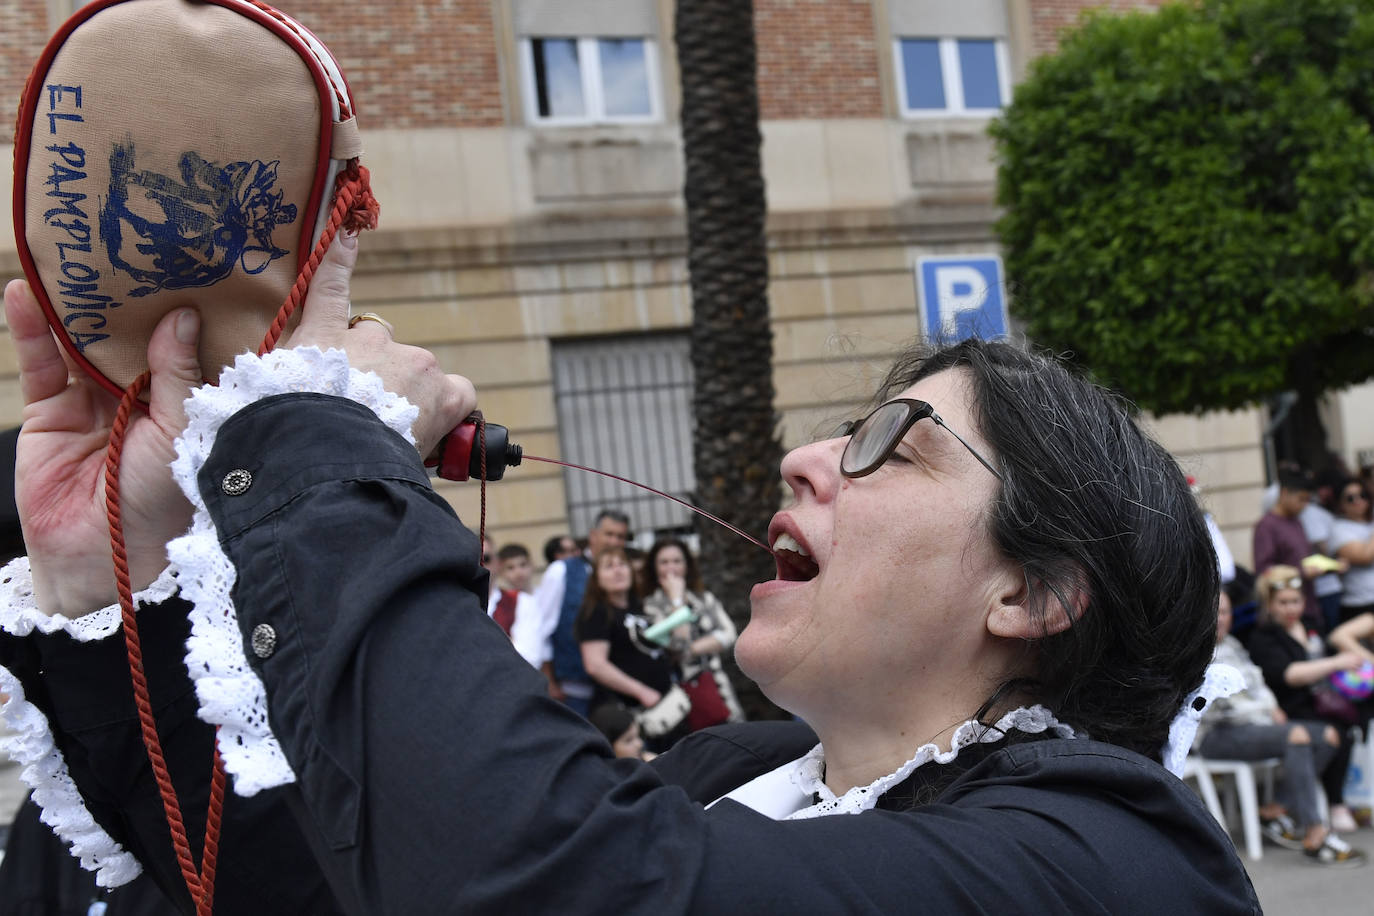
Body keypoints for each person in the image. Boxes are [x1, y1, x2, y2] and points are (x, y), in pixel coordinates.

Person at [0, 236, 1260, 912]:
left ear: (1033, 594)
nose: (807, 456)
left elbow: (548, 883)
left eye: (893, 444)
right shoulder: (731, 773)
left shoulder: (1112, 862)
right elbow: (327, 877)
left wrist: (322, 441)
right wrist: (102, 572)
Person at [1196, 592, 1359, 865]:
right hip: (1218, 735)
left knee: (1329, 736)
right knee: (1296, 735)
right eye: (1215, 612)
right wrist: (1265, 714)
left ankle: (1275, 808)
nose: (1221, 619)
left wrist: (1273, 708)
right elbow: (1223, 710)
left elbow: (1258, 685)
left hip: (1254, 726)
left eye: (1225, 612)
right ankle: (1316, 833)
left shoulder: (1234, 644)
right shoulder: (1196, 654)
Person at [1247, 565, 1369, 835]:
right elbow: (1289, 675)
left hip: (1324, 699)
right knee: (1336, 731)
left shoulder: (1311, 626)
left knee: (1359, 715)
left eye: (1295, 601)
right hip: (1290, 705)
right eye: (1283, 602)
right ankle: (1334, 803)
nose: (1290, 608)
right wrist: (1336, 661)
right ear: (1270, 604)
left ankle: (1353, 798)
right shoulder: (1263, 637)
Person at [575, 548, 685, 752]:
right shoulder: (596, 612)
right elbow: (595, 665)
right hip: (633, 717)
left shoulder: (640, 605)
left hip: (666, 710)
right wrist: (641, 691)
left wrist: (676, 598)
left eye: (622, 564)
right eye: (609, 566)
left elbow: (680, 640)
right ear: (596, 579)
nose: (618, 571)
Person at [533, 509, 630, 715]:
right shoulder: (562, 571)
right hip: (576, 690)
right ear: (593, 535)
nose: (614, 541)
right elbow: (541, 627)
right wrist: (548, 679)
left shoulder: (626, 572)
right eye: (609, 534)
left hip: (622, 689)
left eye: (620, 536)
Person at [640, 537, 744, 726]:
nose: (671, 567)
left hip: (718, 688)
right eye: (664, 562)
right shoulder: (650, 606)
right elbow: (677, 644)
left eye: (677, 561)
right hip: (681, 698)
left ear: (687, 565)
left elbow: (729, 633)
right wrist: (676, 600)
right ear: (654, 568)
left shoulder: (703, 599)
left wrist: (692, 649)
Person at [1253, 465, 1330, 630]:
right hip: (1285, 613)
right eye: (1301, 499)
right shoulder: (1266, 526)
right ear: (1284, 493)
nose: (1304, 505)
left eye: (1308, 500)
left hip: (1307, 604)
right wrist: (1302, 573)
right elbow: (1264, 570)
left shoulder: (1296, 521)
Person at [486, 544, 543, 671]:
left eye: (485, 558)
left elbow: (531, 657)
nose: (518, 572)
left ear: (497, 563)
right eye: (511, 568)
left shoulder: (524, 601)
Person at [1328, 478, 1374, 625]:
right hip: (1360, 603)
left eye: (1362, 495)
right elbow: (1364, 556)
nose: (1358, 501)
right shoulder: (1338, 529)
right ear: (1341, 504)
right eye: (1350, 498)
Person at [587, 703, 656, 762]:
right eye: (628, 740)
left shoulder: (646, 759)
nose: (639, 744)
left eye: (638, 735)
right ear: (607, 747)